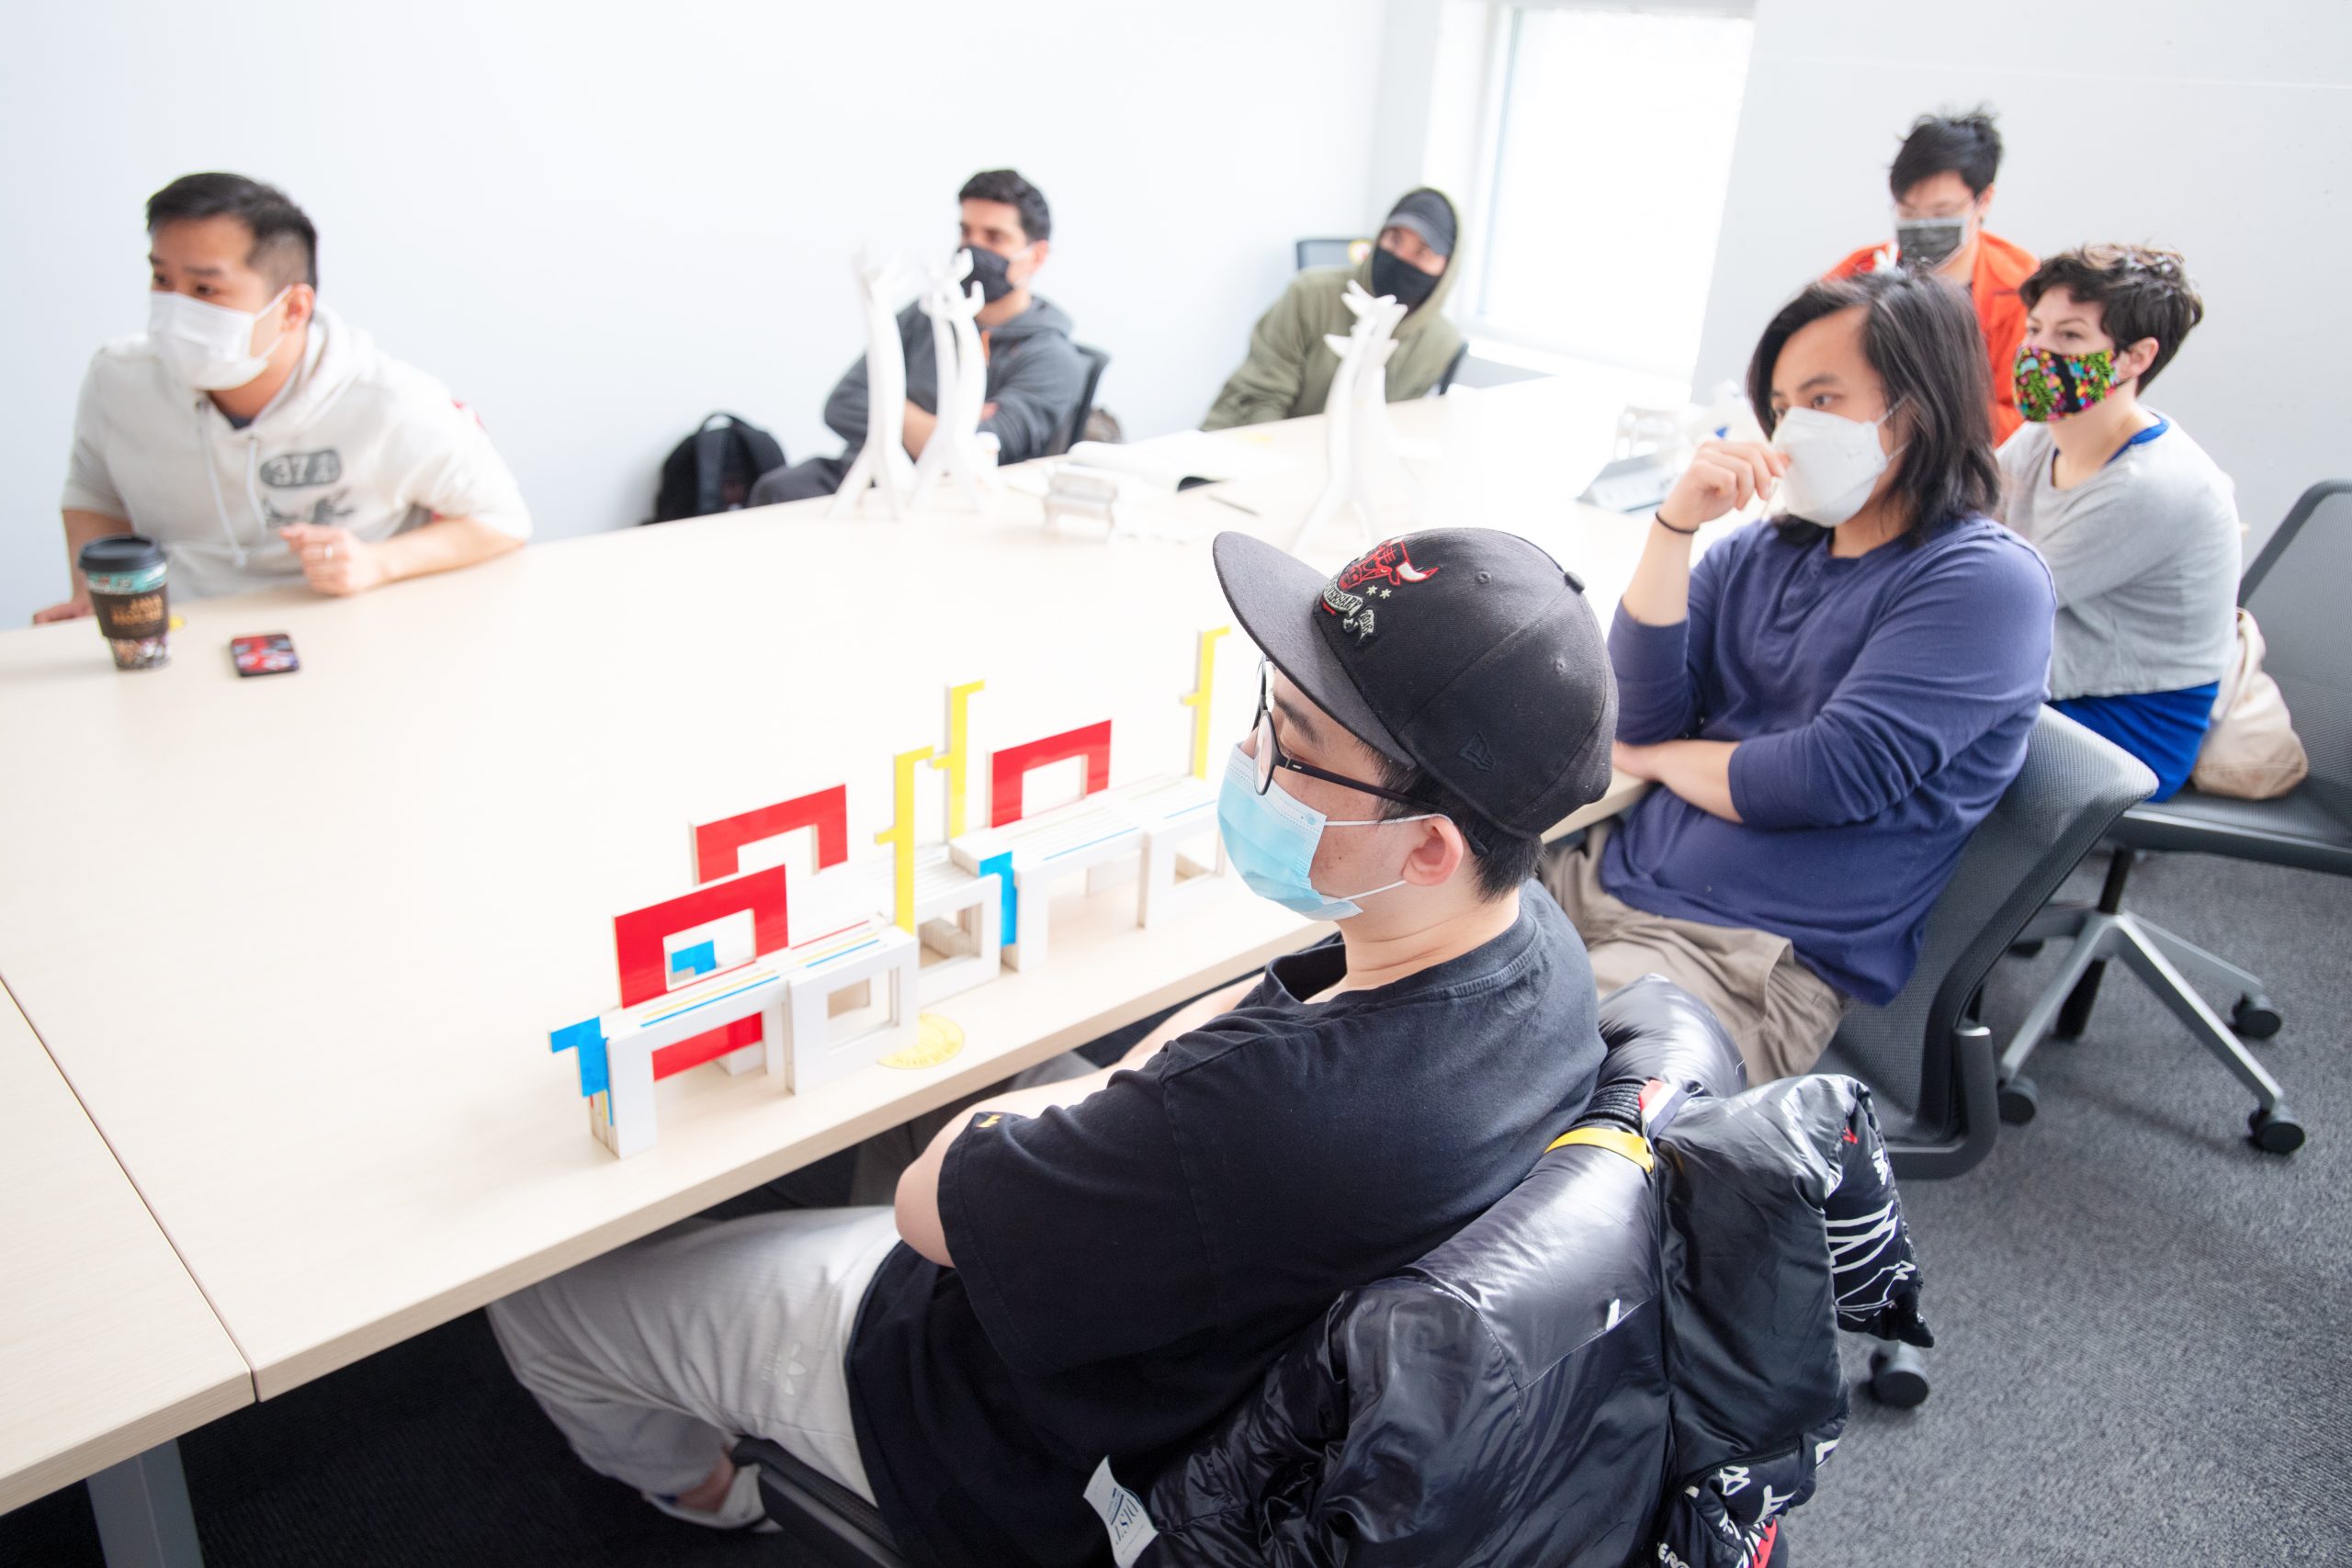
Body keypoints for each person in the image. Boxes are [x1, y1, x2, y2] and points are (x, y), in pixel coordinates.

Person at [490, 525, 1622, 1566]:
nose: (1250, 751)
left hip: (984, 1424)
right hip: (1210, 1324)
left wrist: (1079, 1104)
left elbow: (929, 1208)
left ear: (1426, 848)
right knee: (986, 1084)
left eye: (1293, 741)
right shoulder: (1541, 954)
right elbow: (1239, 1048)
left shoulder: (1260, 1121)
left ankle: (713, 1493)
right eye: (1265, 708)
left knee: (545, 1298)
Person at [1542, 269, 2055, 1082]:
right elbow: (1633, 720)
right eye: (1779, 406)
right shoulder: (1760, 550)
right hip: (1596, 881)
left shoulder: (1984, 582)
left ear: (1915, 409)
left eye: (1822, 401)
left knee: (1500, 1109)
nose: (1788, 431)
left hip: (1740, 958)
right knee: (1353, 1001)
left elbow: (1821, 778)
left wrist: (1667, 760)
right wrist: (1675, 528)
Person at [37, 173, 529, 619]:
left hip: (345, 624)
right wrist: (95, 594)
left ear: (293, 308)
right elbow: (93, 493)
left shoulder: (389, 401)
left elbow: (503, 519)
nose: (174, 310)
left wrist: (377, 563)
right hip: (180, 627)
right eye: (162, 279)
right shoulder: (118, 379)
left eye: (206, 290)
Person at [1995, 244, 2235, 802]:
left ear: (2135, 357)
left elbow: (2000, 596)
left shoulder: (2153, 487)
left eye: (2070, 337)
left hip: (2130, 725)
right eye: (2035, 329)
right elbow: (1956, 523)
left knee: (1903, 718)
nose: (2037, 351)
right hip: (2047, 676)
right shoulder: (2041, 437)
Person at [750, 169, 1085, 506]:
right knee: (777, 490)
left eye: (994, 238)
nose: (973, 249)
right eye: (966, 233)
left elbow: (975, 451)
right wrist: (945, 426)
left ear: (1037, 256)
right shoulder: (926, 313)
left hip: (949, 498)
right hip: (865, 473)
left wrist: (889, 405)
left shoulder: (1052, 358)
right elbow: (843, 403)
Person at [1826, 110, 2037, 443]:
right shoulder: (1858, 272)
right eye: (1909, 212)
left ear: (1984, 201)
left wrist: (1927, 410)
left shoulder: (2023, 290)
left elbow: (2029, 423)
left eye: (1943, 213)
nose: (1924, 225)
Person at [1202, 187, 1464, 430]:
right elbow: (1261, 398)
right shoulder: (1308, 294)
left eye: (1422, 252)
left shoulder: (1441, 344)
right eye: (1394, 240)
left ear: (1447, 267)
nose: (1402, 258)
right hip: (1245, 442)